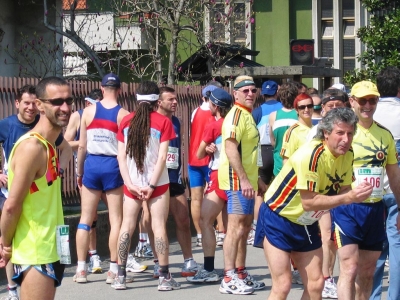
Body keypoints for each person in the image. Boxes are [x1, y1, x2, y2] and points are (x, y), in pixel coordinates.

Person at [254, 107, 373, 299]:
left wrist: (361, 191)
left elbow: (343, 189)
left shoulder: (348, 154)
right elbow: (309, 202)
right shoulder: (312, 154)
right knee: (283, 285)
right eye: (340, 133)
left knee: (317, 284)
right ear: (326, 133)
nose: (346, 139)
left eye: (350, 134)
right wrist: (348, 197)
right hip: (278, 218)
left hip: (307, 222)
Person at [0, 77, 73, 300]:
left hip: (52, 246)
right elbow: (12, 206)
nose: (65, 107)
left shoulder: (48, 145)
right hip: (36, 250)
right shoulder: (31, 147)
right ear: (40, 105)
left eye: (69, 100)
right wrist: (5, 243)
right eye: (57, 101)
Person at [333, 81, 400, 299]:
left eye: (373, 100)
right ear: (352, 101)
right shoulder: (343, 132)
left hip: (374, 208)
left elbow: (394, 175)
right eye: (363, 100)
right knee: (349, 268)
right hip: (347, 207)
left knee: (367, 272)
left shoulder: (384, 134)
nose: (368, 105)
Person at [113, 81, 179, 291]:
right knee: (159, 226)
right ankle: (164, 277)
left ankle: (120, 276)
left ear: (137, 99)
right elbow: (162, 158)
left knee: (127, 226)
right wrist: (151, 185)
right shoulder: (163, 122)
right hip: (157, 183)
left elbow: (121, 157)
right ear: (156, 101)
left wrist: (129, 184)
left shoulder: (125, 122)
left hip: (131, 184)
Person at [74, 73, 129, 284]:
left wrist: (80, 172)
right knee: (116, 220)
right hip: (112, 165)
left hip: (92, 165)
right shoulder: (123, 114)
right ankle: (113, 270)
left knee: (85, 220)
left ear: (101, 87)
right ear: (121, 90)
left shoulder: (87, 112)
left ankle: (81, 270)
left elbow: (81, 146)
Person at [218, 76, 267, 295]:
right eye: (245, 90)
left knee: (245, 228)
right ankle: (228, 276)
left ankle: (240, 272)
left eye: (253, 90)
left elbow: (248, 153)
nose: (250, 94)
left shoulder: (247, 115)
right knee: (236, 228)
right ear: (235, 93)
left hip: (246, 180)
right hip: (236, 181)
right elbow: (230, 149)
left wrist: (256, 180)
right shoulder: (236, 115)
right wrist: (245, 180)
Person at [187, 88, 232, 283]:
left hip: (218, 176)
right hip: (237, 178)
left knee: (206, 220)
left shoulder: (214, 125)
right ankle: (235, 271)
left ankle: (208, 269)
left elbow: (198, 155)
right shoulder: (236, 123)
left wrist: (207, 148)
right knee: (233, 227)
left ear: (214, 106)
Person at [156, 86, 199, 277]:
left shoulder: (176, 121)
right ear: (159, 102)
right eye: (170, 99)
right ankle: (158, 262)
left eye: (176, 99)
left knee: (183, 219)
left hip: (174, 178)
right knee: (156, 223)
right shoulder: (152, 121)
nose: (175, 102)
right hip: (155, 180)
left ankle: (188, 260)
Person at [370, 66, 400, 300]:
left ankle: (372, 295)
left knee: (374, 247)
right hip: (397, 187)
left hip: (372, 186)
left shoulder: (369, 114)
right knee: (397, 246)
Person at [188, 81, 222, 246]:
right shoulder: (215, 114)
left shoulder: (195, 112)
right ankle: (220, 231)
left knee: (196, 199)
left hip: (193, 160)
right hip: (209, 160)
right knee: (217, 197)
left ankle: (200, 234)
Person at [250, 80, 282, 245]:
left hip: (261, 151)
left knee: (260, 192)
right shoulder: (283, 109)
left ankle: (256, 226)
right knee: (278, 189)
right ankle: (277, 223)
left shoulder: (257, 111)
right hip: (277, 151)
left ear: (262, 93)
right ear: (277, 91)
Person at [269, 82, 299, 176]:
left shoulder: (273, 115)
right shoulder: (300, 115)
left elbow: (273, 142)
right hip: (297, 165)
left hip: (279, 165)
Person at [280, 92, 314, 165]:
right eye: (302, 107)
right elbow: (286, 161)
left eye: (309, 106)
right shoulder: (292, 132)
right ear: (296, 110)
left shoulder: (316, 129)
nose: (306, 109)